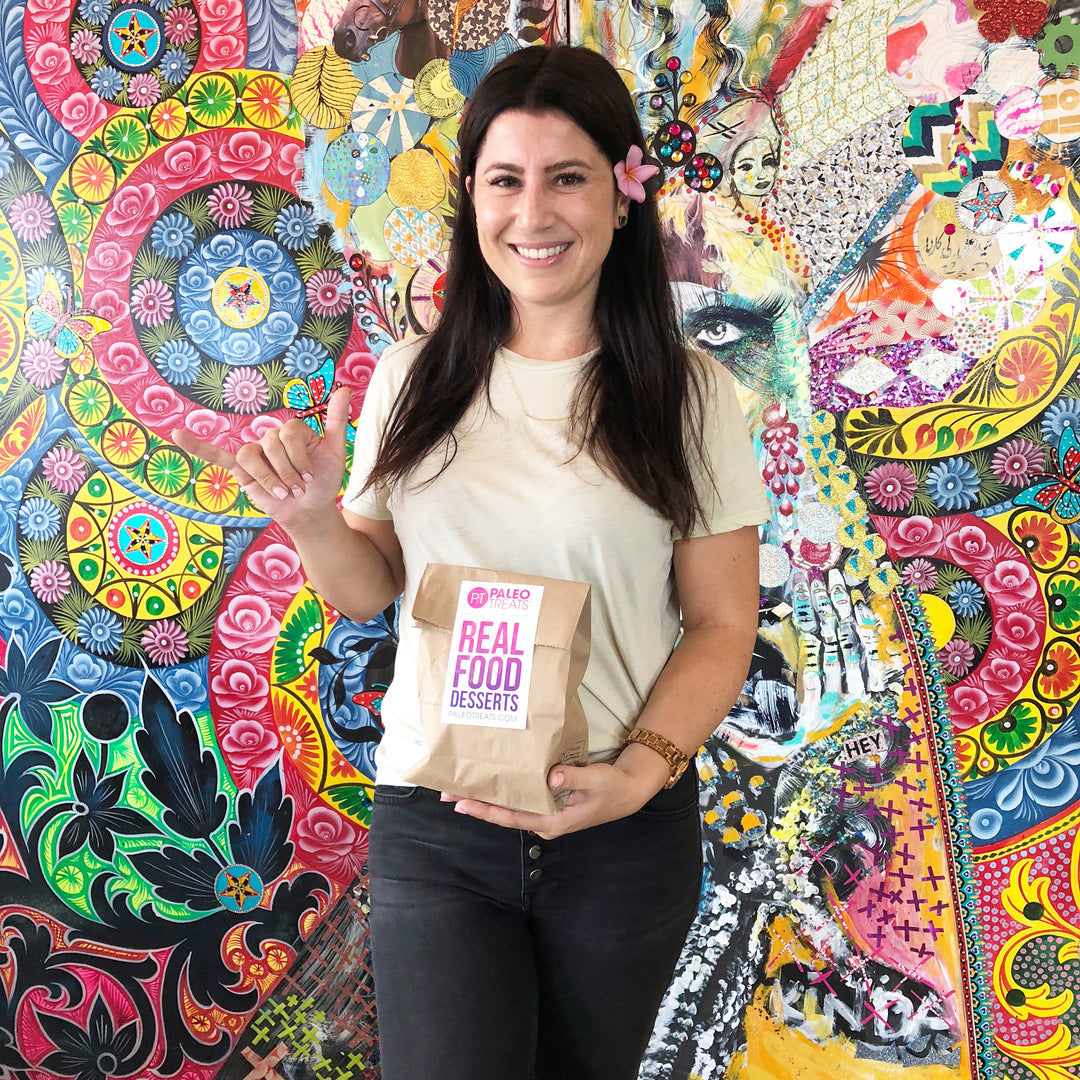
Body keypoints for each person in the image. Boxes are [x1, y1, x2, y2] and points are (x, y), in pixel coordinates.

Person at [174, 44, 768, 1080]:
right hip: (439, 825)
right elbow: (369, 586)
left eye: (568, 177)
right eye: (506, 180)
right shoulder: (413, 379)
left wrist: (637, 775)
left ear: (624, 195)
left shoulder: (692, 394)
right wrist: (314, 518)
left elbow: (721, 624)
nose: (533, 214)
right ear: (472, 198)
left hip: (618, 834)